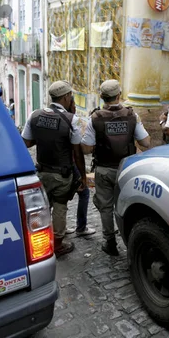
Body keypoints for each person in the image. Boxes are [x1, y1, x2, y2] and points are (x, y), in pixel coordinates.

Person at [81, 80, 150, 256]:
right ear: (119, 95)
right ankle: (132, 241)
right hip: (127, 169)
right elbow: (146, 142)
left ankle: (110, 242)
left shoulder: (95, 118)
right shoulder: (132, 116)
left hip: (104, 169)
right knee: (130, 204)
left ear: (102, 97)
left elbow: (86, 148)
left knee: (105, 207)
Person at [21, 81, 86, 257]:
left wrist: (43, 140)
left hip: (41, 171)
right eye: (70, 96)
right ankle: (57, 244)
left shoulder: (34, 115)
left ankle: (38, 242)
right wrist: (83, 177)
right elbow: (78, 153)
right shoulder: (71, 119)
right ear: (66, 97)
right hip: (61, 174)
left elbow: (26, 142)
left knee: (42, 207)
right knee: (60, 206)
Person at [66, 99, 96, 237]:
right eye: (74, 105)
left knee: (60, 197)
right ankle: (81, 227)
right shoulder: (74, 121)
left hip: (58, 165)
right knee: (84, 193)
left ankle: (60, 227)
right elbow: (78, 151)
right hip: (72, 164)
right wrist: (83, 176)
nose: (75, 108)